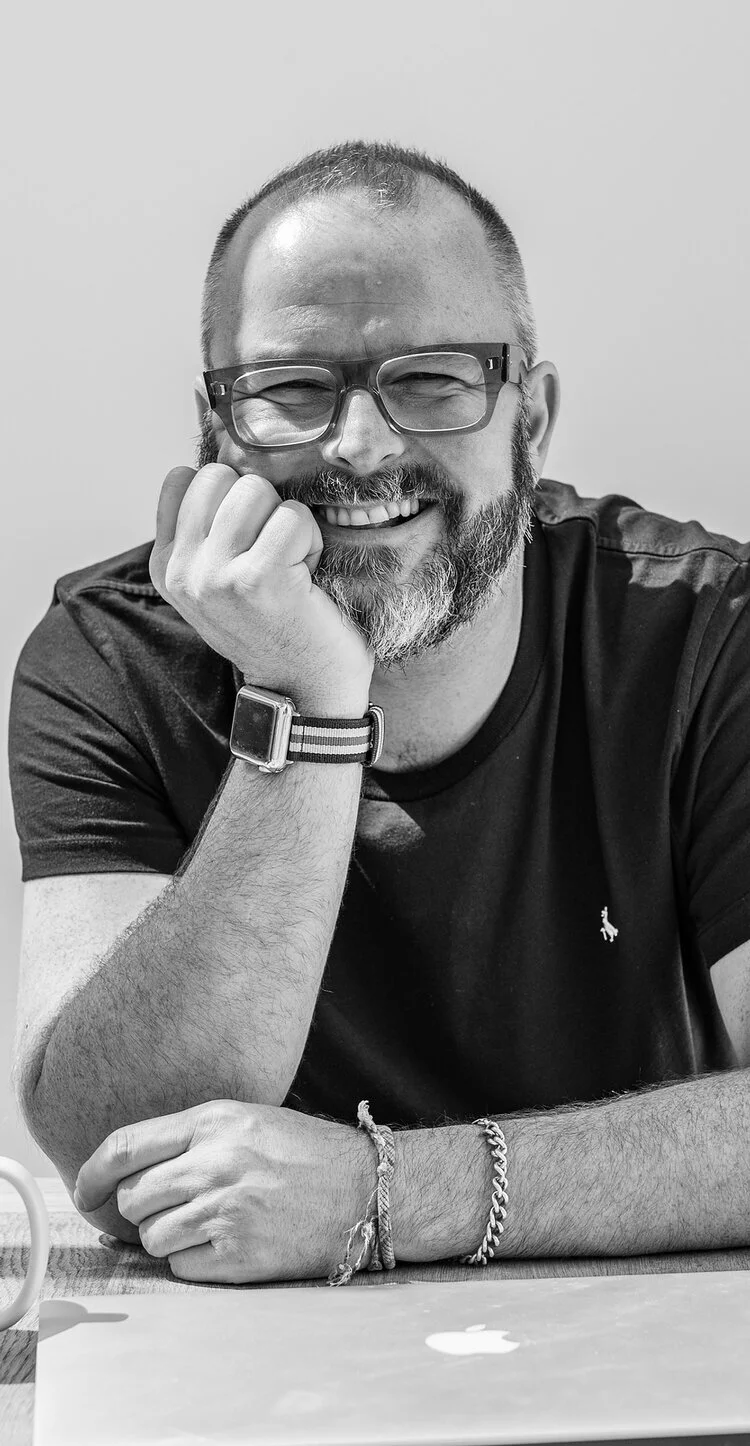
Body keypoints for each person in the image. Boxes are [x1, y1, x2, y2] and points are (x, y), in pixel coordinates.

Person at [8, 140, 750, 1286]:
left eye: (433, 378)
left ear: (532, 419)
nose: (360, 446)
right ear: (217, 427)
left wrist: (387, 1192)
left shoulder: (709, 638)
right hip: (252, 1359)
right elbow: (110, 1145)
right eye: (293, 388)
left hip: (642, 1333)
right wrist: (308, 707)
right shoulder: (107, 659)